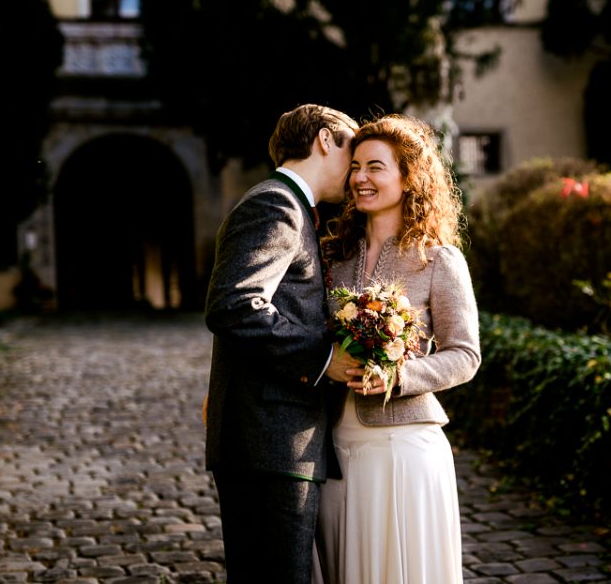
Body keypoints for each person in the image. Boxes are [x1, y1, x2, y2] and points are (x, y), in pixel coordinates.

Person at [314, 114, 481, 583]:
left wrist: (399, 376)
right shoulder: (332, 256)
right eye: (355, 167)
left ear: (409, 177)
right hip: (334, 448)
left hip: (403, 448)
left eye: (375, 167)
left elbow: (465, 354)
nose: (360, 178)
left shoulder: (439, 259)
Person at [204, 104, 363, 583]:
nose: (355, 174)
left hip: (273, 439)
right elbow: (234, 305)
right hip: (271, 442)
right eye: (352, 155)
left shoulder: (293, 208)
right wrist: (325, 359)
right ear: (323, 140)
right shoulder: (275, 204)